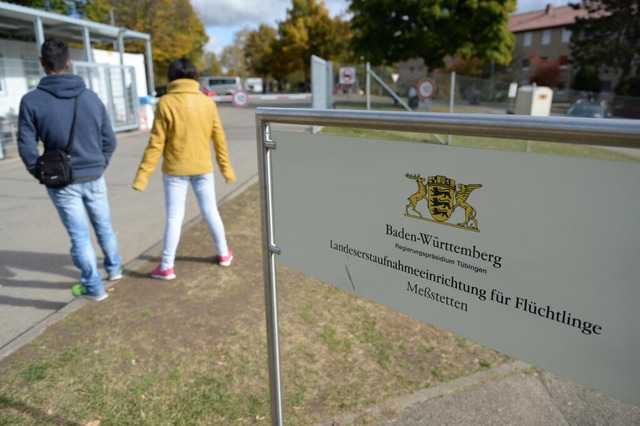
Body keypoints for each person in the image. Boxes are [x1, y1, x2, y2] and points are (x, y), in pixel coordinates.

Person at [17, 38, 122, 302]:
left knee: (79, 236)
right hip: (95, 175)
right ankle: (114, 268)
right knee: (104, 226)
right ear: (69, 62)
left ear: (42, 63)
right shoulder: (90, 98)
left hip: (61, 180)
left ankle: (94, 287)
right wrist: (99, 163)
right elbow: (109, 139)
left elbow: (26, 145)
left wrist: (39, 171)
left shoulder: (31, 101)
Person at [133, 57, 236, 280]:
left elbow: (156, 143)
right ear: (195, 77)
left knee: (174, 218)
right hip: (203, 168)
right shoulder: (207, 103)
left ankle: (167, 266)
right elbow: (219, 139)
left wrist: (143, 176)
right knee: (211, 211)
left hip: (174, 170)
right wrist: (226, 170)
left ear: (171, 78)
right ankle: (224, 254)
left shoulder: (165, 103)